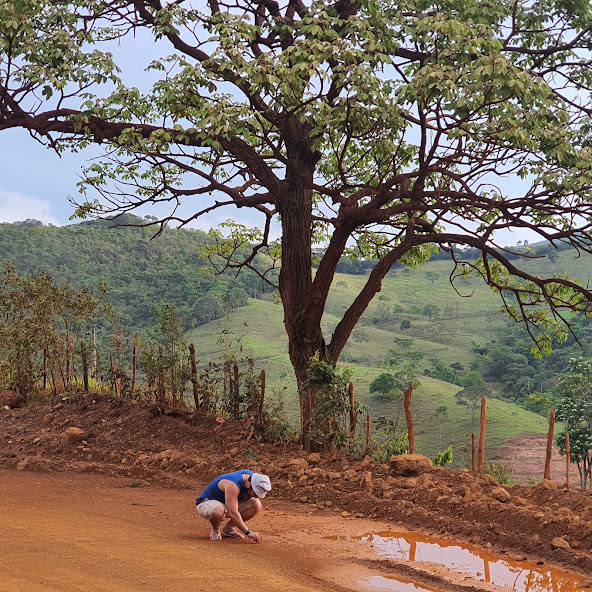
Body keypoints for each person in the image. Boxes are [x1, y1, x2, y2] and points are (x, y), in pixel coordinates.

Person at [195, 470, 272, 542]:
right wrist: (248, 532)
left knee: (256, 504)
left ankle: (228, 528)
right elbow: (233, 512)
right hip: (205, 502)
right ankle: (215, 528)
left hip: (226, 502)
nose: (255, 496)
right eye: (255, 493)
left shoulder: (251, 478)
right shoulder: (233, 484)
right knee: (219, 511)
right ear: (250, 485)